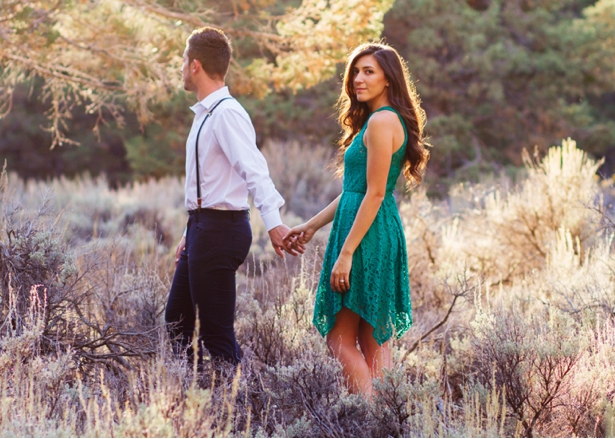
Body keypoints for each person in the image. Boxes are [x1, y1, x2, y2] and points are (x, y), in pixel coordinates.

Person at [284, 42, 429, 398]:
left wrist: (346, 253)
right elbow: (355, 191)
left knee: (339, 337)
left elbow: (375, 194)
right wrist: (312, 225)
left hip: (365, 237)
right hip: (371, 229)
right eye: (355, 72)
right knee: (372, 337)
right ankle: (386, 420)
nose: (358, 79)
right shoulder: (382, 119)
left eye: (369, 72)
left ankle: (367, 418)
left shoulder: (382, 121)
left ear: (388, 79)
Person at [165, 26, 295, 367]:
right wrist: (187, 233)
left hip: (221, 231)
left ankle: (244, 409)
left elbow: (255, 170)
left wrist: (274, 223)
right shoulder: (206, 114)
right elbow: (209, 184)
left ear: (195, 66)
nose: (181, 68)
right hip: (203, 229)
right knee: (177, 322)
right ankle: (192, 400)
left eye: (183, 61)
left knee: (216, 333)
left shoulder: (226, 113)